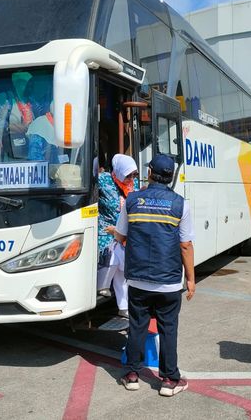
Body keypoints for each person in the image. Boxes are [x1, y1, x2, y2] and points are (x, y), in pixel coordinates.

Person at [115, 154, 195, 397]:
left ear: (149, 172)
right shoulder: (181, 204)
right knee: (168, 328)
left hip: (138, 278)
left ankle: (131, 374)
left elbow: (120, 235)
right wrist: (190, 279)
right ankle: (170, 379)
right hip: (169, 281)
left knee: (137, 326)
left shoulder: (132, 200)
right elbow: (185, 246)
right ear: (170, 176)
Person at [97, 154, 139, 317]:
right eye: (128, 174)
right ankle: (103, 285)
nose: (131, 178)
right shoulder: (103, 180)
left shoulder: (132, 185)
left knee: (123, 268)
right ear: (120, 171)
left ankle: (124, 307)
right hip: (105, 230)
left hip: (123, 231)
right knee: (114, 255)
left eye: (134, 174)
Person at [0, 73, 34, 162]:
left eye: (32, 84)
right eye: (28, 84)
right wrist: (9, 127)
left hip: (28, 148)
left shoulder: (31, 101)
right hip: (7, 148)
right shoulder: (4, 98)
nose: (31, 87)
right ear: (18, 83)